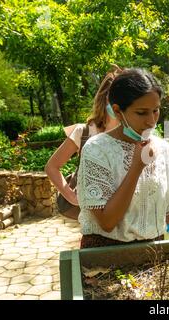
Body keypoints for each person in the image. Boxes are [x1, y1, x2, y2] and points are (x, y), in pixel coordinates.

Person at [76, 67, 169, 248]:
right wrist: (136, 167)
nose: (151, 120)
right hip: (106, 257)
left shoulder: (164, 149)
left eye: (156, 110)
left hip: (155, 254)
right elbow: (107, 222)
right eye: (141, 112)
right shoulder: (97, 150)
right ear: (118, 111)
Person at [45, 66, 122, 218]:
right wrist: (73, 198)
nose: (118, 103)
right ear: (104, 97)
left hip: (121, 210)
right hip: (90, 213)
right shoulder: (84, 132)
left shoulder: (130, 134)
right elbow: (52, 167)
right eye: (114, 96)